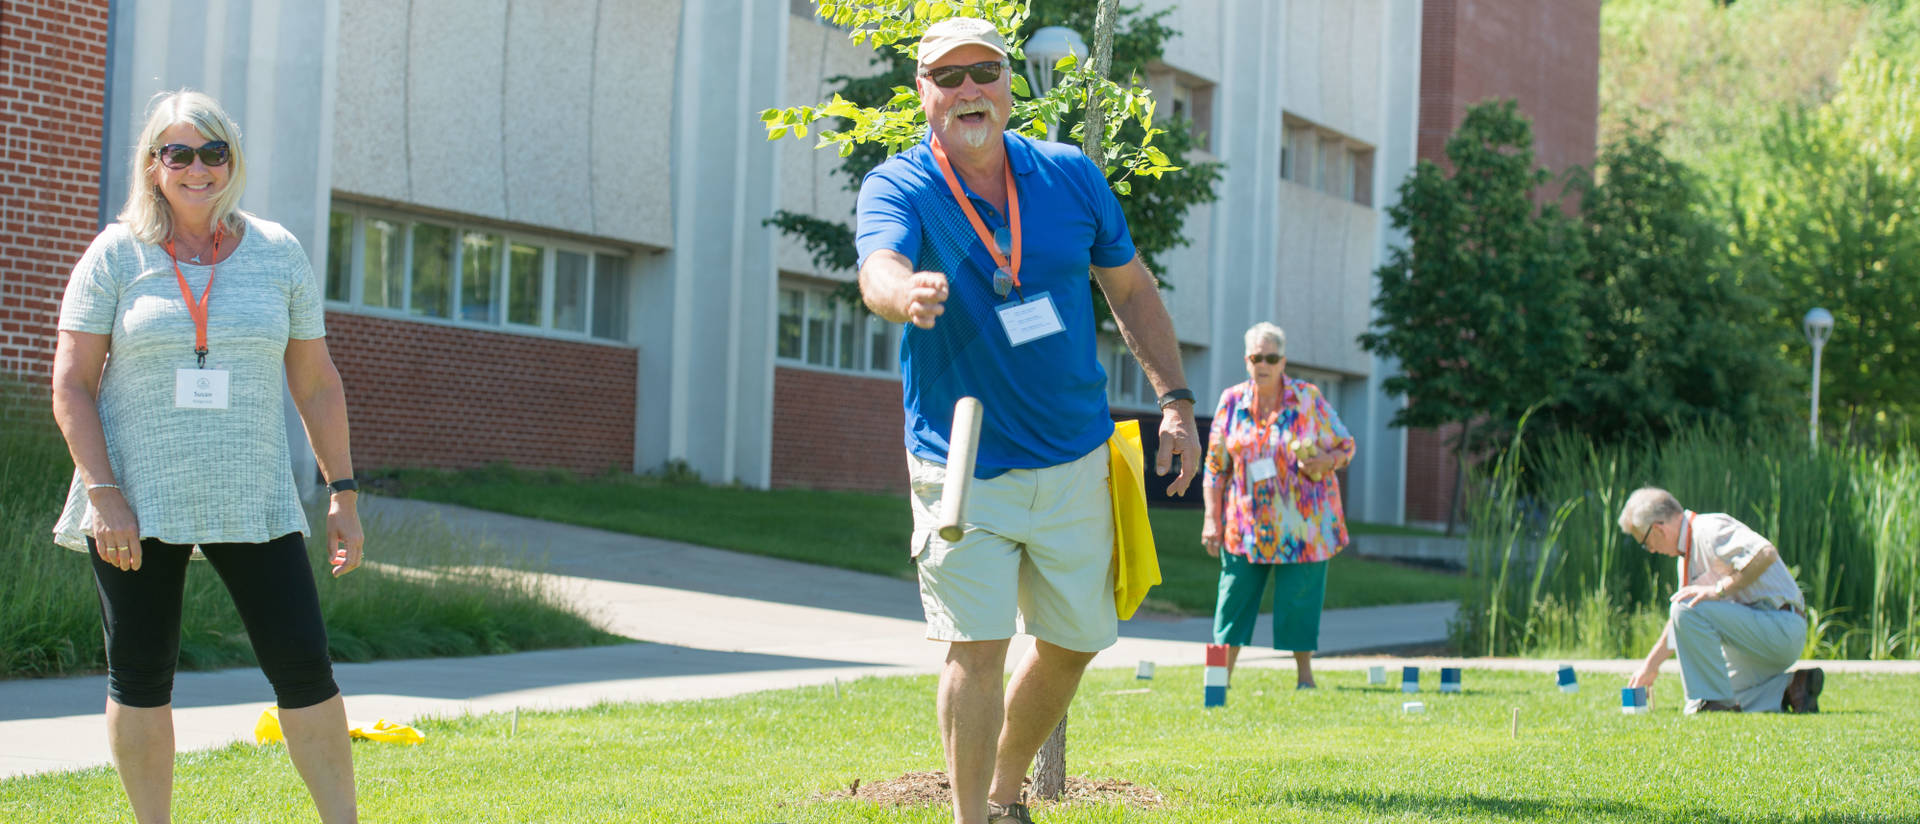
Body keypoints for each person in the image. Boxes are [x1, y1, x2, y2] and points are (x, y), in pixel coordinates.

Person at [854, 17, 1202, 824]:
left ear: (1010, 84)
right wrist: (902, 294)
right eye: (949, 77)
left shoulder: (1070, 176)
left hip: (1075, 453)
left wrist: (1176, 401)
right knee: (975, 651)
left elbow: (1132, 290)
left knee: (1079, 640)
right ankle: (973, 818)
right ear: (923, 93)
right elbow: (878, 263)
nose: (969, 89)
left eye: (985, 71)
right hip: (961, 460)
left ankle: (1007, 793)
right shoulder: (902, 185)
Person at [49, 89, 363, 823]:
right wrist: (103, 494)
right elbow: (70, 383)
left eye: (213, 152)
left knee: (305, 670)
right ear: (154, 165)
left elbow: (316, 384)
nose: (198, 169)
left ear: (233, 160)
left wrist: (342, 491)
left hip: (252, 495)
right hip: (135, 497)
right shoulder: (115, 254)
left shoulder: (279, 251)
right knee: (140, 677)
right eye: (179, 153)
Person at [1199, 322, 1354, 688]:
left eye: (1271, 357)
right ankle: (1217, 683)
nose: (1263, 364)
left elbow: (1345, 445)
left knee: (1300, 604)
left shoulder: (1308, 398)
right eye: (1256, 357)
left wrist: (1324, 463)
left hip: (1304, 525)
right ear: (1246, 360)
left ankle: (1305, 678)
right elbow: (1214, 467)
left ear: (1283, 361)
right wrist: (1211, 518)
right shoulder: (1231, 401)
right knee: (1231, 600)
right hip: (1245, 524)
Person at [1617, 487, 1824, 714]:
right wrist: (1650, 667)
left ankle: (1710, 703)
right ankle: (1791, 687)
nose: (1651, 550)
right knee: (1721, 683)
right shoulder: (1685, 555)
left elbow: (1765, 553)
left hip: (1781, 627)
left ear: (1658, 529)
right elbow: (1682, 620)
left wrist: (1719, 590)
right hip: (1759, 638)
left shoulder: (1709, 529)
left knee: (1687, 611)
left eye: (1645, 543)